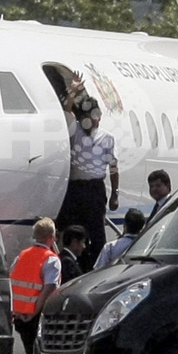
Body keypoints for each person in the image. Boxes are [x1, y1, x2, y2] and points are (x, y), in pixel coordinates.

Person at [56, 72, 119, 272]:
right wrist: (73, 90)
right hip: (76, 188)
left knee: (97, 232)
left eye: (98, 117)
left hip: (95, 188)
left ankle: (95, 269)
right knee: (71, 229)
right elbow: (67, 111)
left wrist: (115, 193)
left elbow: (114, 167)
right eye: (92, 118)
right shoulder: (75, 131)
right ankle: (71, 266)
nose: (96, 122)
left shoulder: (106, 138)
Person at [9, 217, 61, 354]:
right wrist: (33, 312)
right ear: (52, 237)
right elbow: (49, 288)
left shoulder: (22, 256)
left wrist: (18, 311)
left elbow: (12, 282)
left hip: (20, 317)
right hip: (37, 316)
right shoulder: (51, 260)